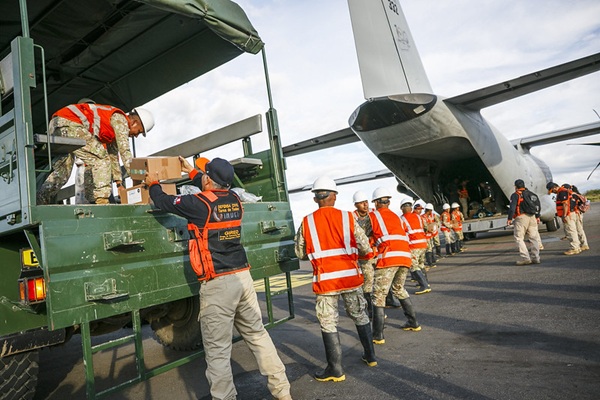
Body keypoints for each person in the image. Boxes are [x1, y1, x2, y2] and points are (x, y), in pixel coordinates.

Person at [147, 157, 292, 400]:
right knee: (258, 336)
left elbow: (163, 201)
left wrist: (153, 184)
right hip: (242, 277)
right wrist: (192, 171)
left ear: (208, 180)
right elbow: (212, 188)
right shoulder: (235, 199)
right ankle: (283, 392)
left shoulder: (197, 204)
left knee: (217, 352)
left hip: (218, 283)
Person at [295, 177, 377, 382]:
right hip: (350, 278)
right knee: (360, 315)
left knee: (328, 323)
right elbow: (365, 246)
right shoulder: (348, 218)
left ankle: (335, 369)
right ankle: (370, 356)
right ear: (334, 196)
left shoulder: (307, 221)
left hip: (326, 282)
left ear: (316, 198)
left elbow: (300, 252)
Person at [37, 103, 154, 204]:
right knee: (101, 158)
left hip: (58, 124)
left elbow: (114, 156)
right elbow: (125, 152)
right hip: (69, 123)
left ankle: (41, 200)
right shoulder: (121, 120)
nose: (136, 135)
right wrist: (138, 177)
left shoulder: (113, 128)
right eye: (139, 131)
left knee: (62, 173)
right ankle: (101, 201)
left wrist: (119, 184)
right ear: (134, 122)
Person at [367, 187, 421, 344]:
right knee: (399, 289)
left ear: (376, 202)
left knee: (378, 295)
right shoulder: (397, 217)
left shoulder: (373, 216)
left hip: (389, 257)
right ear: (388, 202)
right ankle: (413, 322)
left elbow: (362, 235)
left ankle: (377, 335)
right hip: (405, 257)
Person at [352, 190, 378, 318]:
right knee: (368, 281)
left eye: (366, 202)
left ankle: (387, 301)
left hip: (376, 252)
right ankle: (371, 310)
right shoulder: (352, 218)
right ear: (356, 205)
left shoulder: (373, 214)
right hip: (363, 256)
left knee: (380, 278)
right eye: (362, 203)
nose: (365, 205)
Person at [400, 197, 431, 295]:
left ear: (402, 208)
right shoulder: (418, 217)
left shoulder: (402, 219)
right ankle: (426, 283)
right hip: (423, 244)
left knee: (413, 266)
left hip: (414, 246)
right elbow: (426, 228)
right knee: (421, 264)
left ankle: (424, 286)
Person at [507, 179, 541, 265]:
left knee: (519, 238)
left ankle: (526, 258)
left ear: (515, 186)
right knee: (534, 238)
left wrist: (509, 219)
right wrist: (537, 217)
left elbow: (512, 208)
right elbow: (538, 206)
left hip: (521, 218)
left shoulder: (515, 195)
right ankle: (536, 258)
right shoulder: (532, 194)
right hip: (532, 216)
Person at [547, 182, 582, 255]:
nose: (553, 192)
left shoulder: (562, 192)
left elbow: (565, 204)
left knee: (570, 231)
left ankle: (574, 248)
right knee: (573, 231)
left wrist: (564, 215)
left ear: (554, 187)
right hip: (572, 213)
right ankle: (577, 247)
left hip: (568, 215)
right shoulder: (564, 191)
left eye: (552, 190)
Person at [571, 185, 590, 251]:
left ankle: (584, 244)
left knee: (579, 229)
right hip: (580, 213)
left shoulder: (574, 196)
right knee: (579, 229)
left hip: (577, 213)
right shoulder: (579, 195)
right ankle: (583, 244)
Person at [422, 203, 440, 268]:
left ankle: (433, 259)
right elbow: (425, 226)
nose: (431, 212)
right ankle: (429, 262)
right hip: (426, 235)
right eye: (431, 210)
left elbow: (435, 222)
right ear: (428, 210)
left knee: (431, 247)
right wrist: (430, 228)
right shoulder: (423, 217)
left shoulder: (430, 216)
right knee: (428, 249)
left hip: (430, 235)